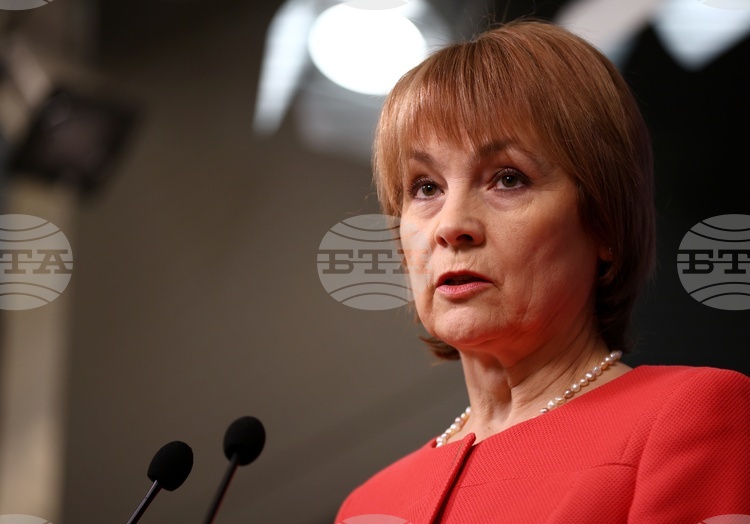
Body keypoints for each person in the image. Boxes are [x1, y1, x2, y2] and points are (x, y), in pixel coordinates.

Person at [335, 19, 750, 524]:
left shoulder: (688, 416)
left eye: (508, 179)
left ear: (605, 223)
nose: (451, 226)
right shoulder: (367, 505)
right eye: (426, 188)